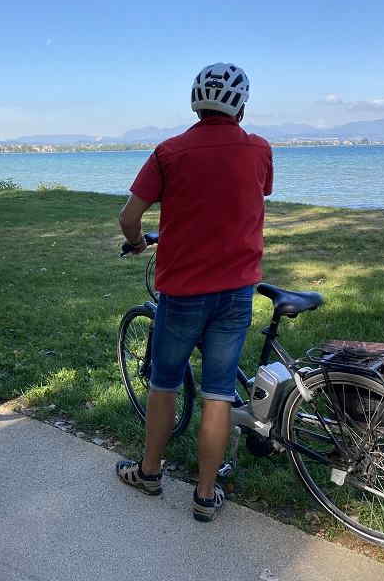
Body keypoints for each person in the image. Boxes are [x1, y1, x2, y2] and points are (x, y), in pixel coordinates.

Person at [115, 63, 273, 521]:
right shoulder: (259, 150)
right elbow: (248, 198)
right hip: (236, 290)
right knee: (219, 391)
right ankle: (206, 494)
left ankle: (149, 472)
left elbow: (129, 217)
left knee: (164, 381)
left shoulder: (169, 152)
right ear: (241, 107)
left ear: (194, 101)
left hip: (183, 291)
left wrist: (136, 241)